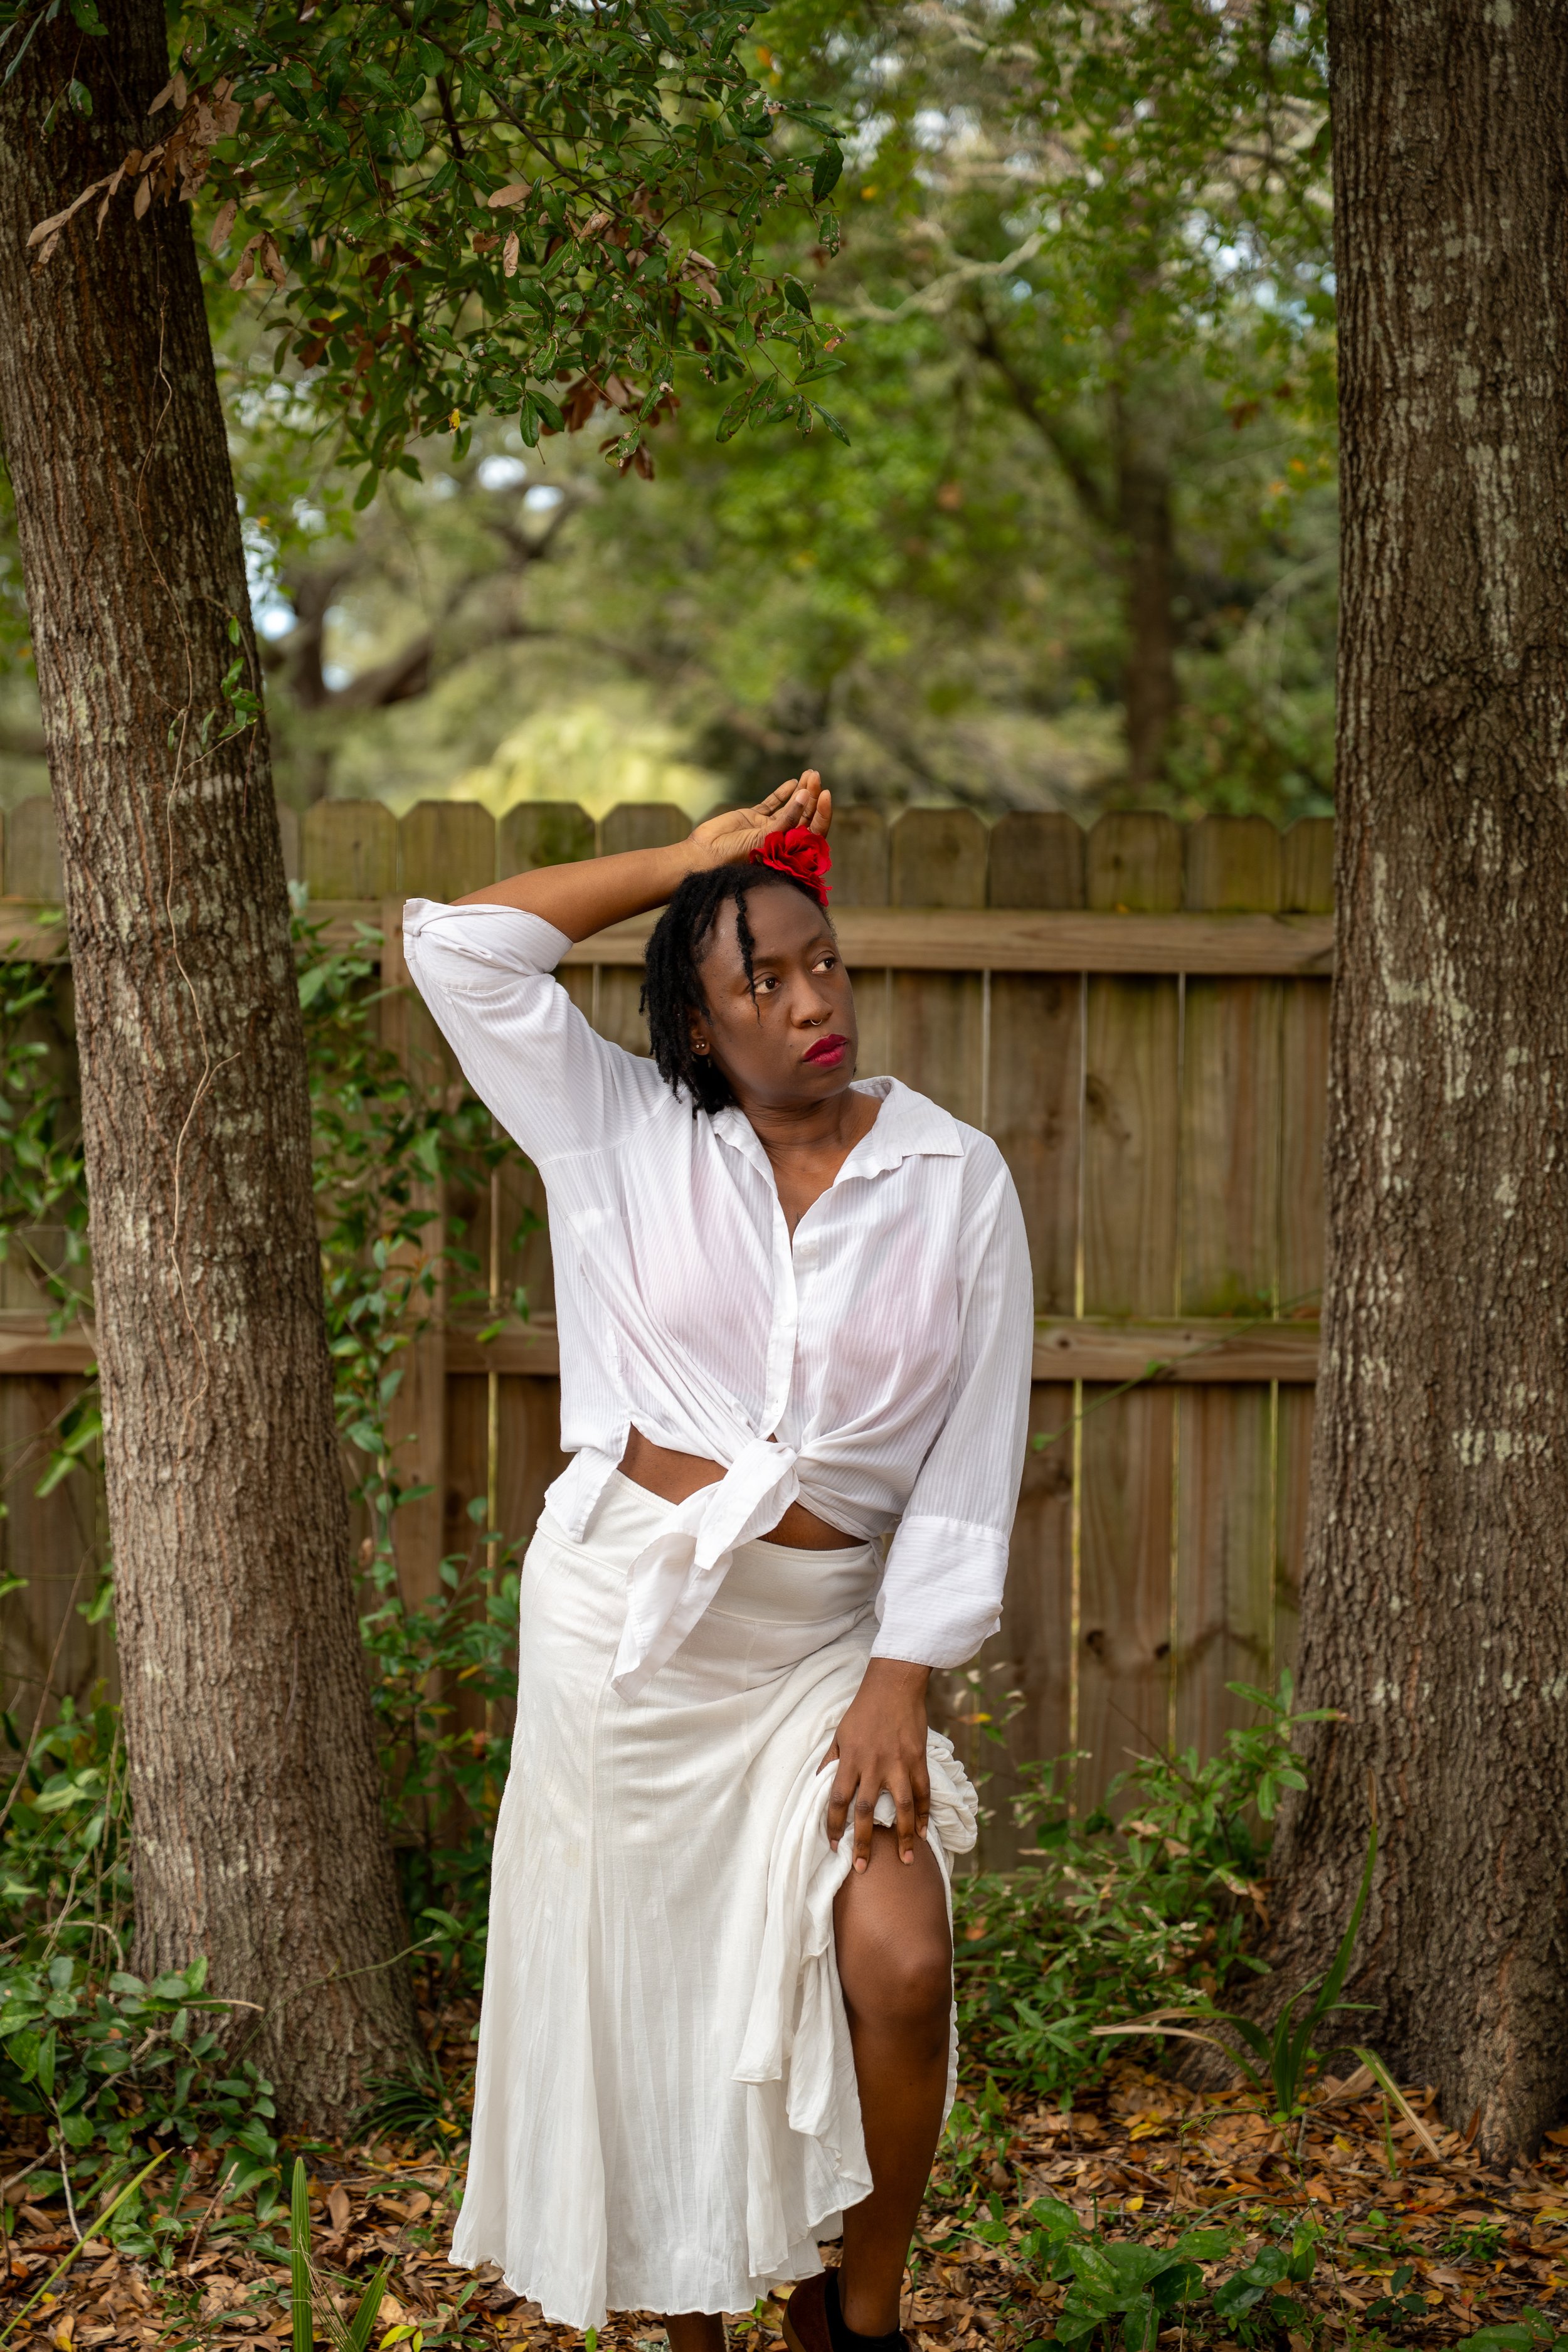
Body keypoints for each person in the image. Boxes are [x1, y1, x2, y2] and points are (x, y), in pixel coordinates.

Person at [403, 772, 1033, 2352]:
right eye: (761, 979)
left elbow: (971, 1461)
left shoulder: (951, 1182)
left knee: (896, 1954)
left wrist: (901, 1672)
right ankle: (694, 2318)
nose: (810, 998)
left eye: (820, 961)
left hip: (823, 1644)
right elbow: (460, 955)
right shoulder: (618, 1128)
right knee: (650, 2012)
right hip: (630, 1630)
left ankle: (857, 2310)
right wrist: (688, 863)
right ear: (696, 1028)